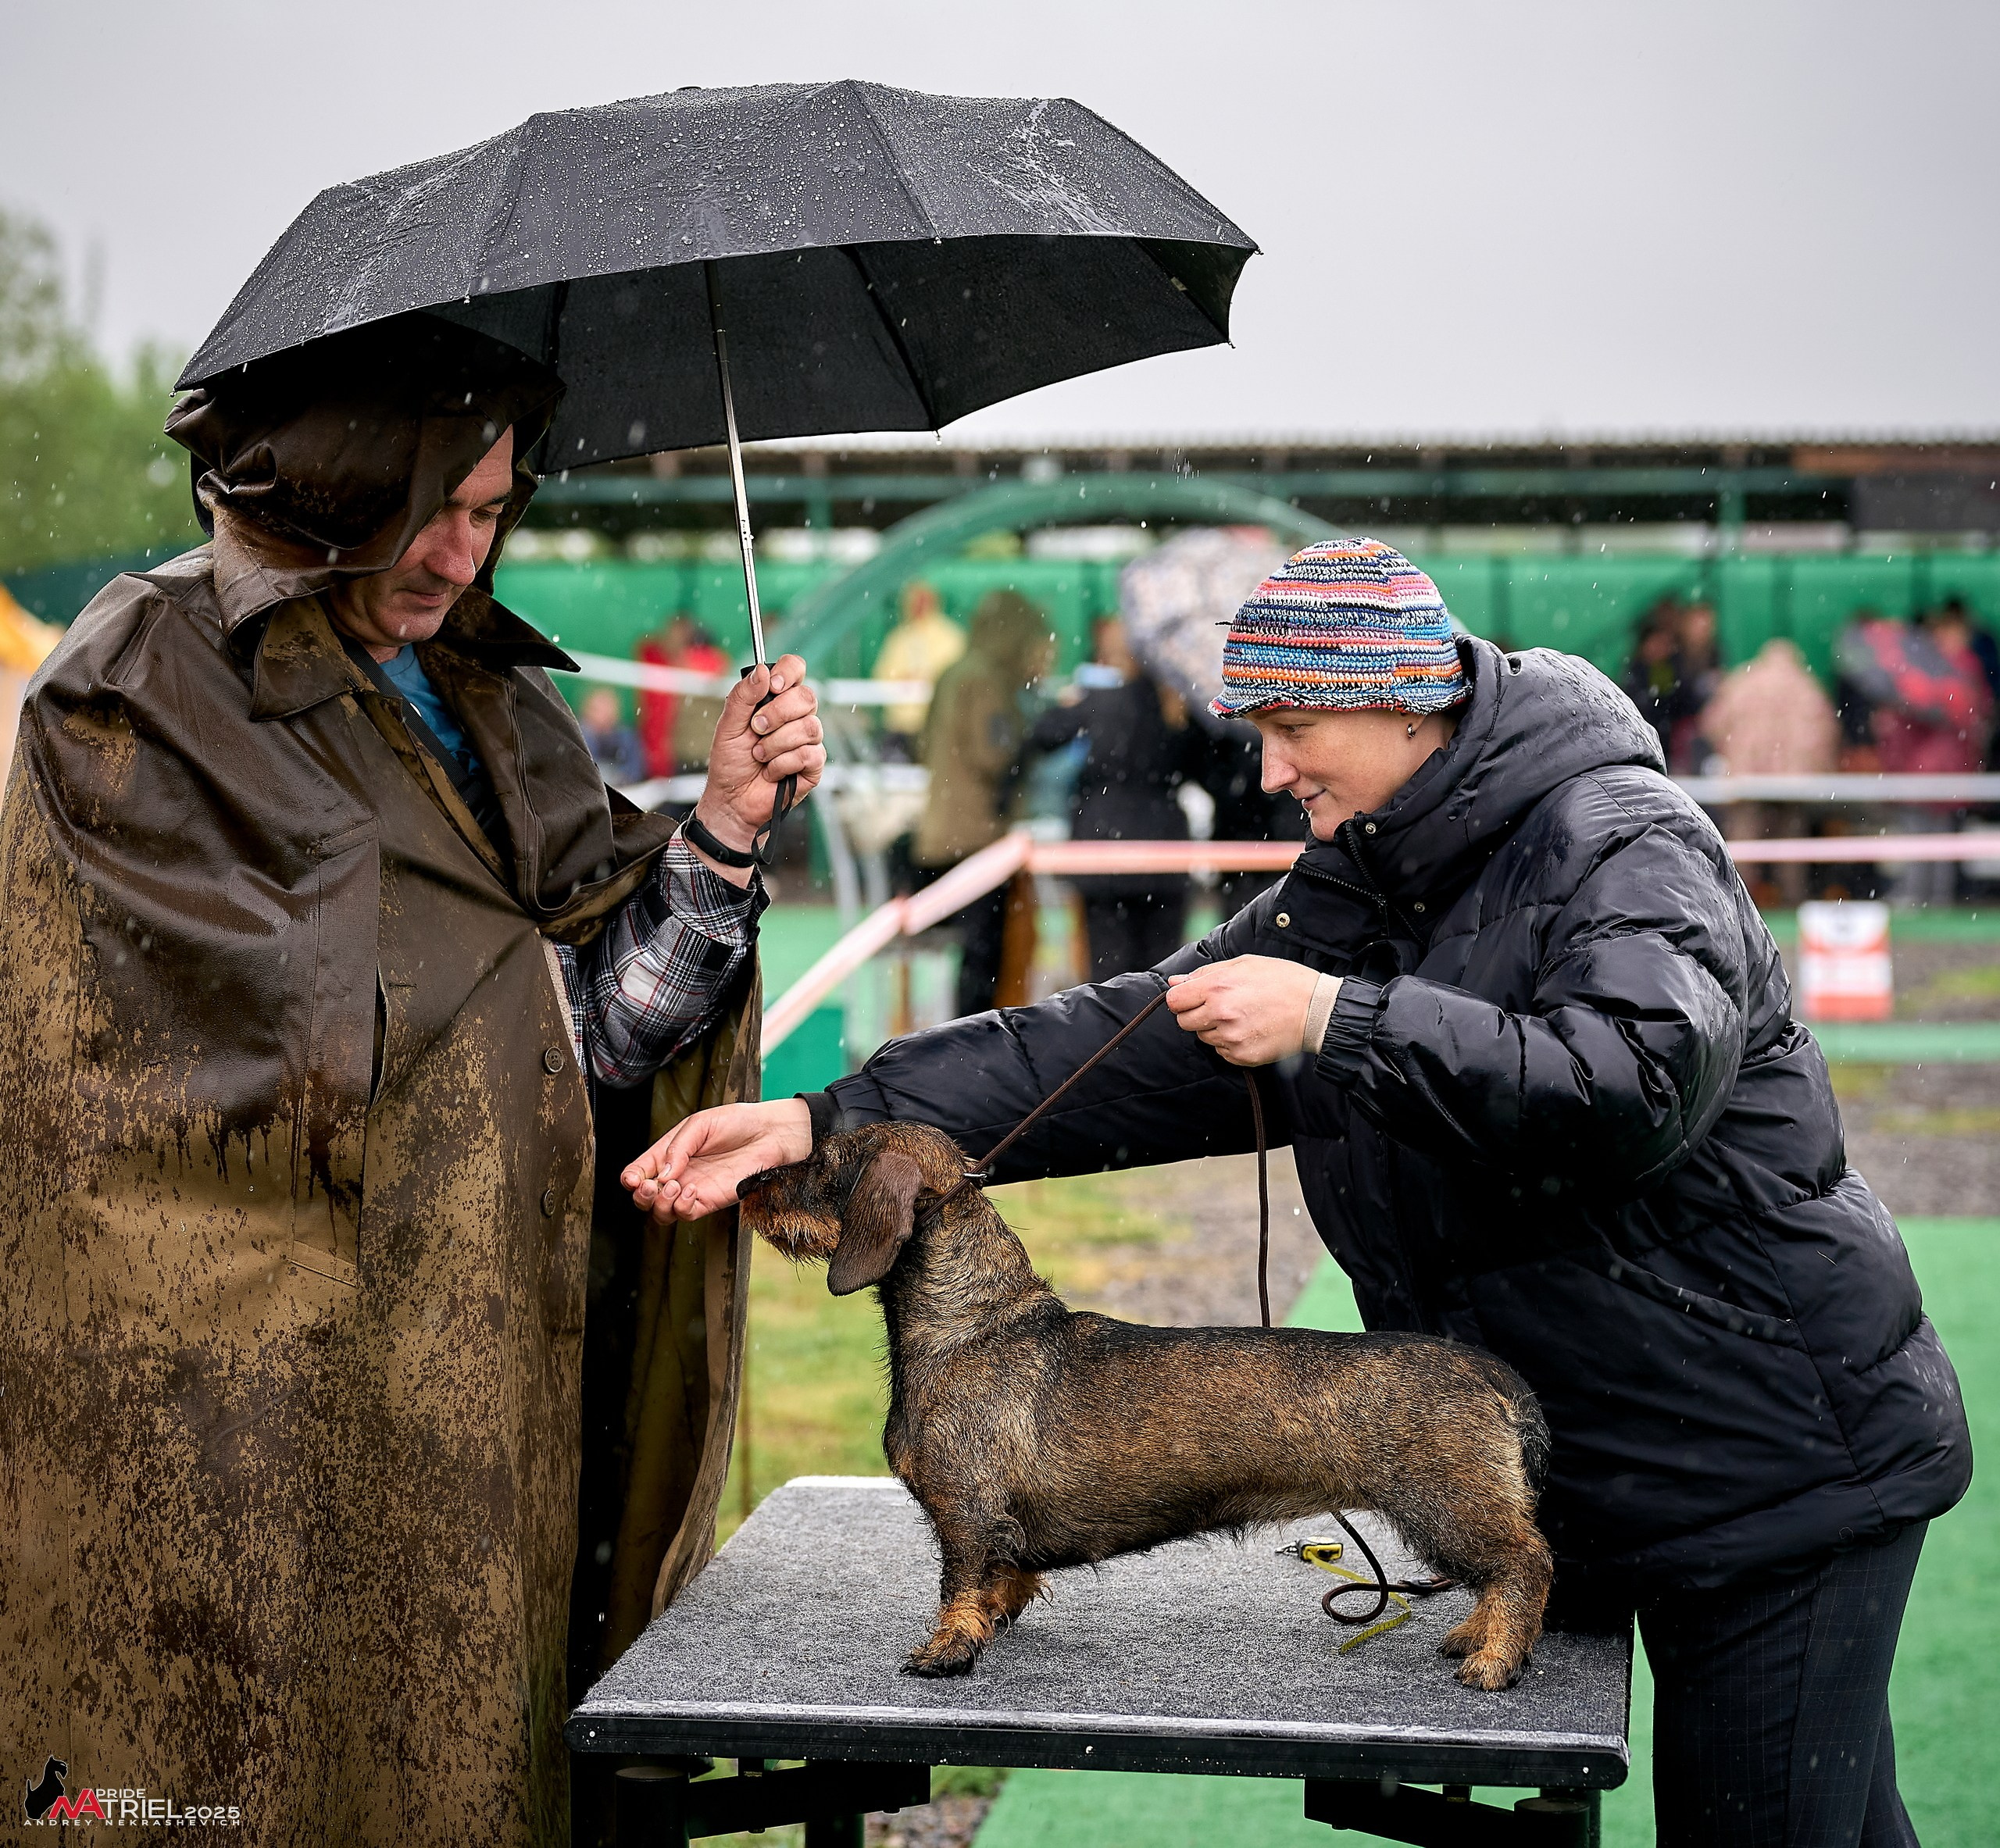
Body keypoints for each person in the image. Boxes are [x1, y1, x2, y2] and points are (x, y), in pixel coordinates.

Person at [631, 538, 1969, 1848]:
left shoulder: (1622, 840)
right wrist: (831, 1119)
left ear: (1398, 699)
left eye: (1287, 726)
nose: (1264, 770)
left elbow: (1628, 1088)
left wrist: (1338, 1020)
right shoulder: (1369, 865)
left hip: (1768, 1462)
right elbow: (1130, 1048)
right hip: (1619, 1465)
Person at [0, 314, 826, 1847]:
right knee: (237, 1753)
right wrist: (524, 1008)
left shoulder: (476, 690)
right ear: (339, 478)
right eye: (437, 504)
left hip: (484, 1344)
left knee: (465, 1734)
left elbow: (591, 1022)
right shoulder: (142, 684)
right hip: (243, 1393)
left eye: (495, 509)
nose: (463, 553)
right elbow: (229, 1056)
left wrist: (713, 831)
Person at [1030, 615, 1206, 979]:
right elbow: (1207, 769)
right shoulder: (1181, 711)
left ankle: (1113, 1035)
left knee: (1108, 971)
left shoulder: (1101, 702)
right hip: (1165, 850)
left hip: (1103, 848)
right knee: (1163, 973)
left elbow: (1043, 735)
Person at [911, 588, 1055, 1015]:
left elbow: (924, 744)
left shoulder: (953, 671)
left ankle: (963, 1039)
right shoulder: (985, 679)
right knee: (985, 958)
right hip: (976, 837)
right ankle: (975, 1040)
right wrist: (1034, 736)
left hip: (941, 833)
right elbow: (993, 754)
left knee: (975, 956)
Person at [1697, 637, 1840, 908]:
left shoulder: (1743, 681)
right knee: (1790, 844)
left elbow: (1711, 723)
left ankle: (1738, 907)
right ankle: (1792, 901)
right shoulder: (1806, 687)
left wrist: (1736, 749)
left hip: (1747, 779)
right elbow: (1826, 733)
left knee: (1745, 843)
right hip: (1793, 783)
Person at [873, 578, 966, 759]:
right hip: (901, 729)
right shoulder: (899, 638)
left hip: (938, 728)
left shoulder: (950, 637)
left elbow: (956, 678)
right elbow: (883, 676)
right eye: (914, 600)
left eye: (923, 600)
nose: (919, 606)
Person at [580, 683, 648, 784]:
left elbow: (634, 772)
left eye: (606, 708)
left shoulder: (626, 738)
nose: (602, 715)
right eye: (596, 709)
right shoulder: (581, 737)